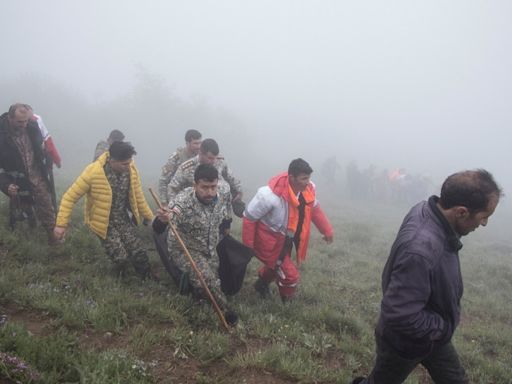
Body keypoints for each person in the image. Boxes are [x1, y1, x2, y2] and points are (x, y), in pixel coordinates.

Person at [352, 169, 502, 384]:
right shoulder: (421, 249)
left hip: (432, 336)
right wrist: (442, 328)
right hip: (405, 342)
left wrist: (439, 331)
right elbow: (400, 313)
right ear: (461, 212)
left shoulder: (428, 210)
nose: (484, 223)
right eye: (484, 217)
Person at [54, 141, 155, 279]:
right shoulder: (93, 172)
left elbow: (138, 196)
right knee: (120, 256)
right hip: (103, 222)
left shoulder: (131, 170)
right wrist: (61, 224)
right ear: (112, 160)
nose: (128, 166)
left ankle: (147, 278)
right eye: (124, 164)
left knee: (138, 250)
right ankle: (122, 280)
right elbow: (69, 197)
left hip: (122, 218)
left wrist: (150, 218)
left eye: (130, 162)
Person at [153, 164, 238, 325]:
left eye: (213, 187)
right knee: (206, 280)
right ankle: (227, 313)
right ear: (195, 185)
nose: (210, 192)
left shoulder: (222, 193)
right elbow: (162, 224)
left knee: (213, 277)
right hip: (185, 248)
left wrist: (226, 225)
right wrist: (162, 219)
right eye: (204, 187)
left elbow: (226, 210)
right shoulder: (183, 201)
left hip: (210, 247)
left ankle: (197, 295)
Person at [242, 158, 334, 302]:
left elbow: (314, 209)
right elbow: (249, 218)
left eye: (309, 178)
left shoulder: (308, 190)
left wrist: (327, 231)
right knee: (290, 275)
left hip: (286, 239)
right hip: (267, 240)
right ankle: (287, 303)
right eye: (304, 178)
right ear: (292, 178)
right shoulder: (269, 196)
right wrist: (248, 247)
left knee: (276, 266)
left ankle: (261, 284)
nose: (307, 182)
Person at [0, 103, 58, 243]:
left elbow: (41, 145)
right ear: (10, 118)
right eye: (20, 121)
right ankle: (24, 240)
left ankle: (53, 238)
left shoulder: (32, 127)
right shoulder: (1, 135)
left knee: (46, 205)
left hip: (37, 175)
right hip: (16, 182)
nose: (24, 124)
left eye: (26, 120)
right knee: (23, 212)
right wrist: (6, 185)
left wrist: (46, 155)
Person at [167, 138, 243, 213]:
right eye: (210, 158)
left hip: (219, 211)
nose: (213, 161)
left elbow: (231, 178)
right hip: (195, 213)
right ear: (200, 153)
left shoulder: (219, 162)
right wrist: (174, 208)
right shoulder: (187, 168)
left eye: (215, 158)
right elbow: (172, 188)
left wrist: (239, 192)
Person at [157, 129, 202, 204]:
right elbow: (163, 181)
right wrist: (164, 202)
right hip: (177, 200)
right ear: (187, 143)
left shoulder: (201, 157)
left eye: (200, 143)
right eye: (196, 143)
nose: (199, 146)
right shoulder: (176, 158)